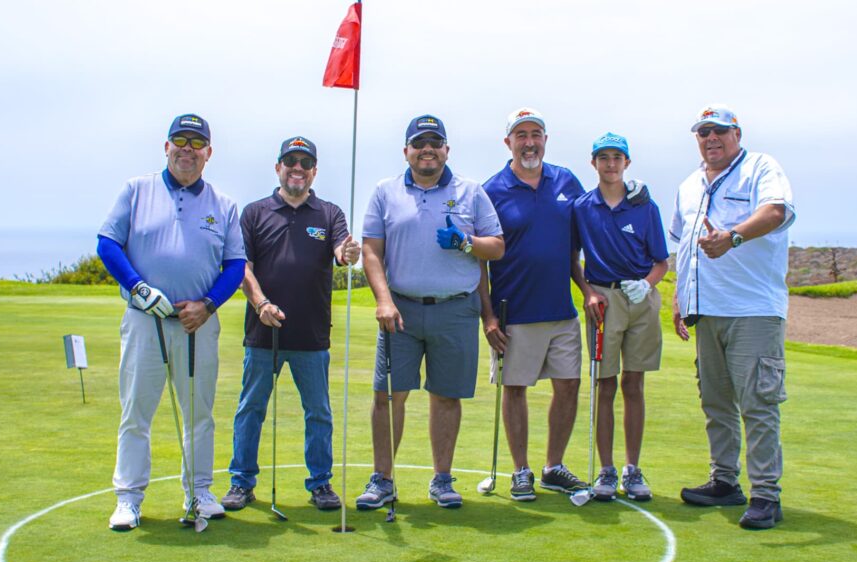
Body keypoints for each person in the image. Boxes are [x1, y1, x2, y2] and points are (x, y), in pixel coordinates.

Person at [98, 113, 246, 531]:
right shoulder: (137, 190)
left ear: (208, 153)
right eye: (179, 141)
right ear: (166, 147)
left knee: (199, 413)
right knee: (136, 412)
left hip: (198, 323)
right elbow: (108, 243)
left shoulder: (223, 204)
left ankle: (198, 490)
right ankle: (128, 498)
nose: (187, 149)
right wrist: (139, 287)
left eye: (197, 143)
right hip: (146, 320)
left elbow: (235, 265)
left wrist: (209, 304)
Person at [356, 114, 504, 510]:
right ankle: (383, 479)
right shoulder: (385, 192)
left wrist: (466, 242)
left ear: (446, 150)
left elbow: (497, 246)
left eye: (435, 142)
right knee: (388, 395)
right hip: (399, 309)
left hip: (455, 309)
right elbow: (372, 250)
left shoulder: (470, 192)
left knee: (446, 396)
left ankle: (442, 479)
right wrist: (383, 299)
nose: (427, 149)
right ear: (406, 150)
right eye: (419, 142)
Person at [669, 104, 795, 529]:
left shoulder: (761, 167)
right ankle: (724, 481)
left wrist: (734, 236)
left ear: (737, 134)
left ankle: (765, 495)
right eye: (704, 133)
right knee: (716, 401)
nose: (711, 139)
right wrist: (678, 298)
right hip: (708, 311)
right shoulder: (688, 184)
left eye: (720, 131)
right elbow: (682, 244)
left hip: (753, 311)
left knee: (758, 403)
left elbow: (776, 212)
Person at [220, 136, 360, 512]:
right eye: (290, 161)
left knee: (318, 412)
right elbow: (241, 266)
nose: (297, 168)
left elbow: (340, 253)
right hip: (264, 331)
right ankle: (241, 482)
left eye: (305, 162)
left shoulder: (329, 213)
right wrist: (260, 302)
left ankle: (320, 484)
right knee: (251, 409)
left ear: (314, 171)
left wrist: (347, 253)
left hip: (312, 334)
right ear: (278, 167)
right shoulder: (254, 213)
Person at [478, 107, 590, 501]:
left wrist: (587, 289)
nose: (529, 142)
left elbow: (575, 247)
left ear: (545, 139)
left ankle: (553, 467)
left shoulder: (566, 182)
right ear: (508, 141)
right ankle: (520, 470)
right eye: (521, 134)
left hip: (561, 310)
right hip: (515, 311)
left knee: (569, 385)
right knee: (515, 388)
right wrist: (488, 315)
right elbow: (480, 261)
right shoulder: (491, 190)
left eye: (536, 134)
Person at [572, 132, 669, 502]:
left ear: (627, 162)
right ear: (593, 162)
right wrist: (589, 292)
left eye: (617, 157)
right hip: (603, 300)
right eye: (603, 157)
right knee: (604, 385)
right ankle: (606, 470)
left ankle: (632, 468)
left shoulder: (645, 206)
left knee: (634, 384)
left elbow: (661, 261)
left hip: (640, 297)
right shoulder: (582, 207)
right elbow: (573, 258)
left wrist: (646, 285)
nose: (610, 164)